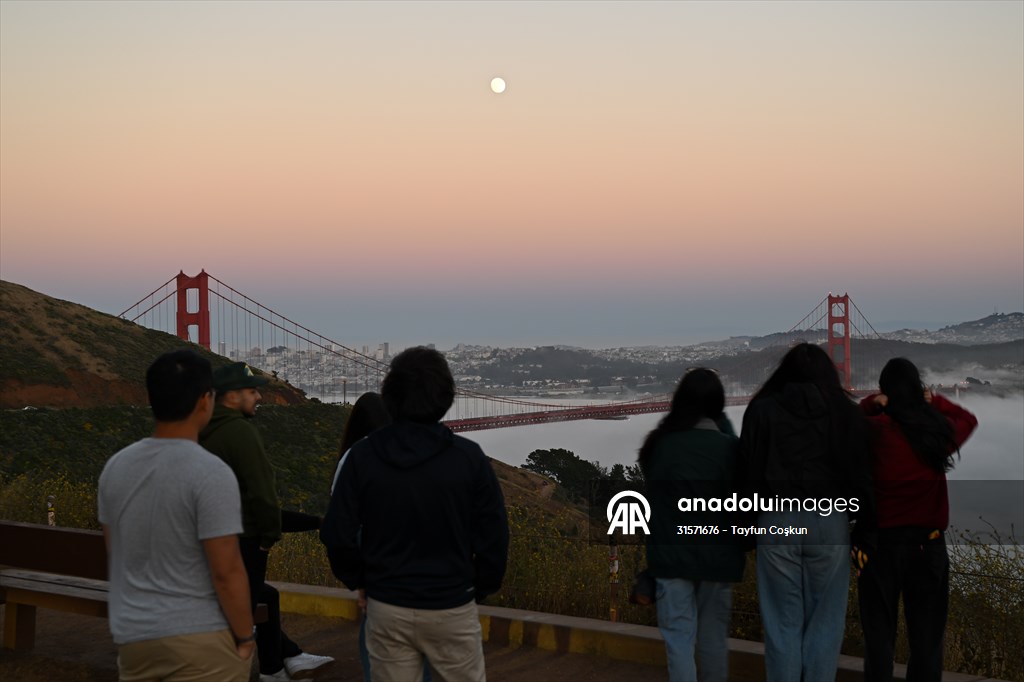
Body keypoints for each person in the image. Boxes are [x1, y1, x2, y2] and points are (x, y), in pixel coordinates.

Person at [321, 346, 509, 682]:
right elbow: (494, 535)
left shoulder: (362, 458)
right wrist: (477, 587)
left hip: (387, 606)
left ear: (390, 395)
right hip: (452, 605)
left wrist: (361, 581)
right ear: (446, 396)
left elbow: (337, 534)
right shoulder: (469, 458)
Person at [98, 350, 254, 681]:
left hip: (134, 637)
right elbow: (226, 571)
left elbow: (117, 551)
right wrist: (245, 637)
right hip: (199, 638)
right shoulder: (211, 472)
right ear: (204, 401)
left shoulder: (116, 467)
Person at [738, 342, 874, 682]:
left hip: (777, 521)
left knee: (782, 622)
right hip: (830, 523)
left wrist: (746, 530)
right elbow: (863, 477)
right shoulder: (846, 412)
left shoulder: (761, 409)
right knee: (827, 621)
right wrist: (863, 533)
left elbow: (746, 475)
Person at [199, 361, 334, 682]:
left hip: (210, 541)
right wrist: (269, 536)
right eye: (251, 391)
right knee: (257, 600)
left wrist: (313, 521)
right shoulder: (239, 431)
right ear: (232, 396)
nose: (259, 396)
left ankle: (288, 660)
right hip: (242, 542)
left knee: (266, 597)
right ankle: (275, 670)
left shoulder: (204, 430)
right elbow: (262, 493)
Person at [857, 358, 977, 681]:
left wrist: (872, 403)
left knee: (879, 638)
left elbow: (844, 423)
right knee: (926, 642)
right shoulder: (935, 433)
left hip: (879, 547)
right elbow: (967, 418)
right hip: (928, 548)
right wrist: (934, 399)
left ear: (886, 392)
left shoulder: (873, 431)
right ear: (916, 389)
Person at [638, 368, 745, 682]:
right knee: (713, 641)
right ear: (718, 404)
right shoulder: (728, 449)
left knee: (678, 640)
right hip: (718, 556)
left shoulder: (660, 446)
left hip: (671, 558)